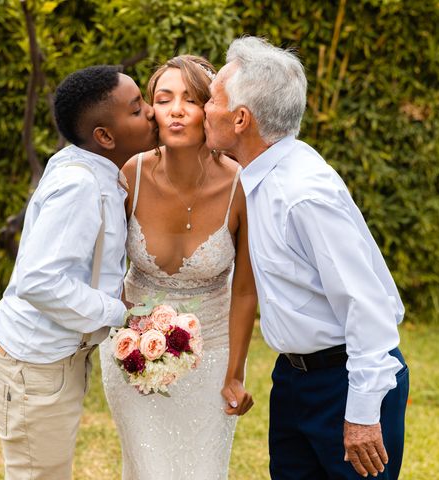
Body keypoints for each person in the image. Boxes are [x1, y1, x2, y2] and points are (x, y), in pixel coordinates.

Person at [204, 37, 410, 479]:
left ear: (241, 119)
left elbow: (368, 308)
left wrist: (360, 414)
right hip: (294, 381)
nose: (204, 107)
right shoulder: (262, 172)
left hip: (345, 383)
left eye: (213, 98)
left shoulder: (303, 194)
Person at [0, 65, 158, 479]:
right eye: (136, 109)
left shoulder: (94, 169)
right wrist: (117, 311)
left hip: (49, 361)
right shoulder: (80, 184)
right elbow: (39, 281)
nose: (150, 113)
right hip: (33, 367)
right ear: (105, 137)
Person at [99, 55, 257, 479]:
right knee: (147, 469)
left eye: (190, 99)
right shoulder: (129, 174)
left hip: (213, 357)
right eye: (164, 99)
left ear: (210, 108)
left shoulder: (240, 184)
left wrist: (235, 374)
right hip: (133, 353)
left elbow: (245, 290)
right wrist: (128, 332)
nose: (177, 109)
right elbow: (106, 267)